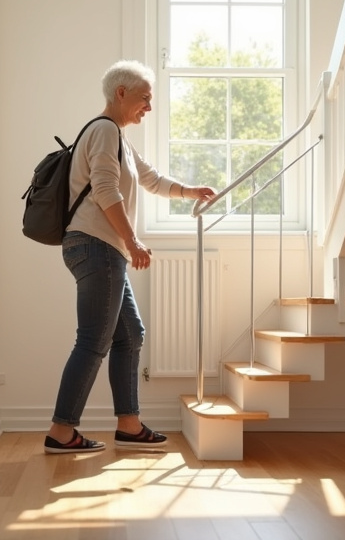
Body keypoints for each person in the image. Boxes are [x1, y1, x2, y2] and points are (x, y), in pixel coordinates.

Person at [44, 60, 216, 454]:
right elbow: (106, 190)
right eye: (145, 99)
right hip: (98, 246)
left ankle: (129, 424)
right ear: (121, 93)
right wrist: (133, 242)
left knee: (130, 335)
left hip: (101, 248)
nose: (148, 108)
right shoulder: (105, 131)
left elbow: (150, 179)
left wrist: (190, 192)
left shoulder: (118, 137)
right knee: (92, 341)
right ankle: (61, 430)